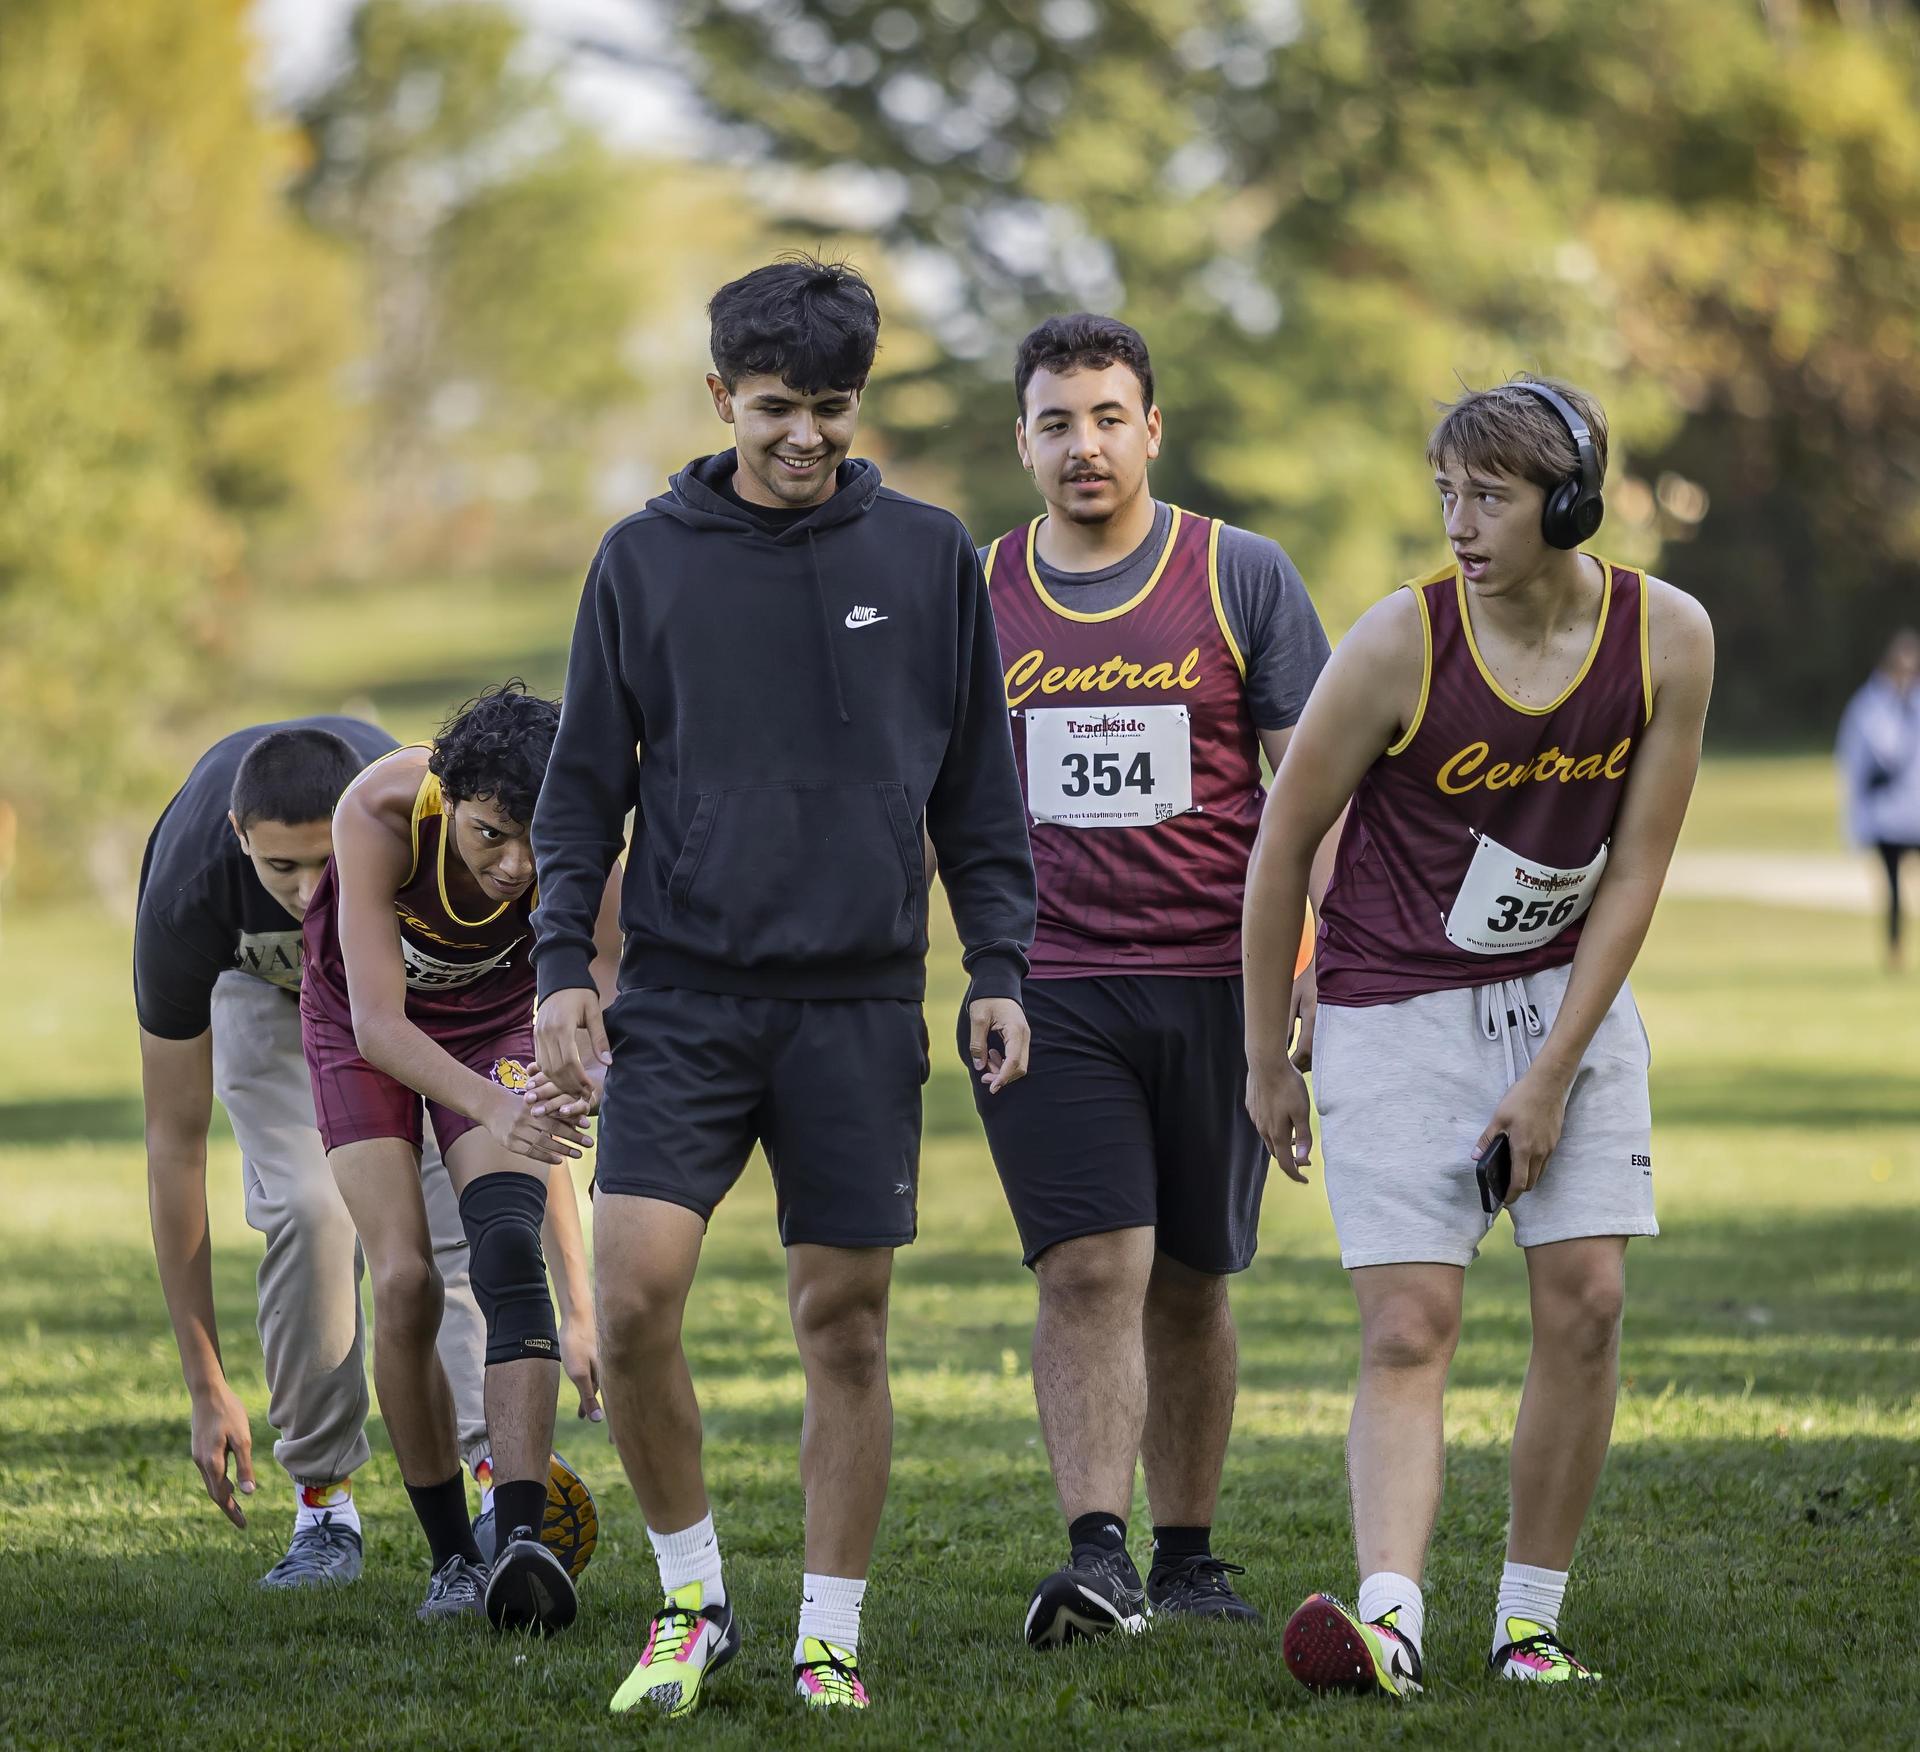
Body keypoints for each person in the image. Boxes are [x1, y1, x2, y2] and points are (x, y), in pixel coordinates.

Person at [529, 255, 1036, 1716]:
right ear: (718, 400)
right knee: (629, 1303)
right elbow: (579, 797)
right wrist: (567, 966)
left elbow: (979, 794)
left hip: (860, 1003)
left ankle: (828, 1634)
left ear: (856, 401)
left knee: (845, 1327)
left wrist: (995, 964)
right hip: (683, 997)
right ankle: (691, 1604)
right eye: (772, 409)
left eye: (829, 407)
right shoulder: (641, 559)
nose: (803, 436)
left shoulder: (933, 556)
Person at [1242, 377, 1714, 1695]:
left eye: (1490, 497)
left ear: (1569, 503)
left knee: (1590, 1306)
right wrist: (1264, 1055)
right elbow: (1281, 842)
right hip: (1392, 1001)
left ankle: (1527, 1621)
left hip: (1566, 998)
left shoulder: (1668, 638)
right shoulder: (1400, 642)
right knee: (1408, 1323)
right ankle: (1389, 1620)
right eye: (1446, 493)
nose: (1458, 522)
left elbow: (1634, 870)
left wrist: (1553, 1072)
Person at [970, 314, 1332, 1646]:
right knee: (1091, 1264)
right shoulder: (980, 591)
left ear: (1152, 428)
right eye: (1057, 422)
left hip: (1214, 981)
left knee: (1190, 1275)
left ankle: (1186, 1554)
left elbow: (1314, 793)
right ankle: (1097, 1552)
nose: (1084, 445)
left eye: (1108, 417)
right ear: (1022, 440)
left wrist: (1308, 964)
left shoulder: (1241, 575)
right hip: (1047, 983)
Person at [137, 718, 487, 1587]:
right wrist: (204, 1382)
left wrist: (578, 1300)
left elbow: (505, 1076)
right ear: (238, 839)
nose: (303, 891)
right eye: (277, 867)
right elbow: (174, 1145)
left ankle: (497, 1488)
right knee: (309, 1207)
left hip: (401, 986)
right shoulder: (189, 896)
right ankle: (324, 1505)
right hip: (259, 993)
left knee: (454, 1220)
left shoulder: (430, 830)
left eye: (323, 865)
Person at [301, 683, 618, 1629]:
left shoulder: (591, 822)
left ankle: (519, 1542)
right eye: (491, 837)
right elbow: (377, 1024)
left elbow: (605, 965)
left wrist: (582, 1068)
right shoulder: (379, 810)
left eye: (538, 841)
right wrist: (494, 1105)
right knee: (401, 1281)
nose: (518, 866)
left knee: (507, 1246)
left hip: (495, 1020)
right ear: (447, 800)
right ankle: (449, 1557)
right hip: (368, 1032)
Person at [1836, 628, 1920, 970]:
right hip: (1886, 816)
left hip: (1914, 810)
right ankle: (1895, 951)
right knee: (1894, 889)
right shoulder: (1868, 707)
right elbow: (1854, 763)